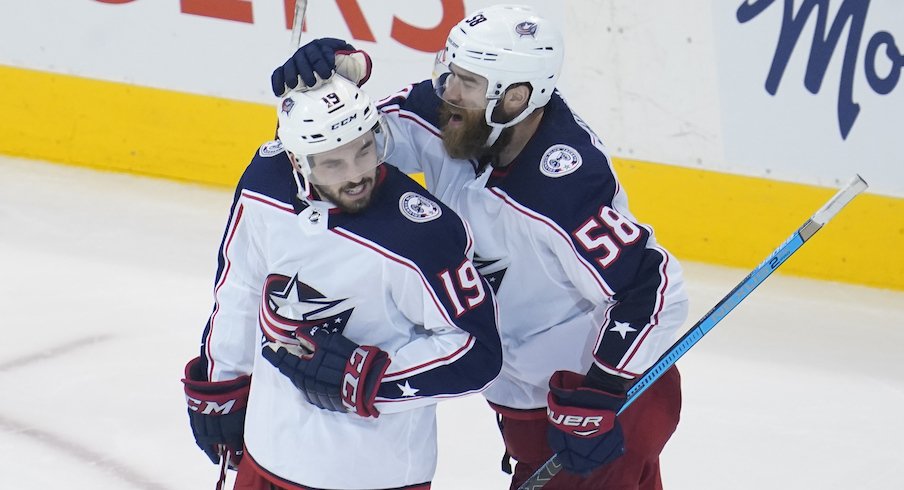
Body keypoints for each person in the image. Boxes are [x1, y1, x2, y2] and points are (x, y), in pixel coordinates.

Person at [270, 5, 689, 489]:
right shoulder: (457, 117)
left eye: (466, 82)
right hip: (534, 409)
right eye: (449, 72)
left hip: (606, 411)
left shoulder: (562, 188)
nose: (446, 90)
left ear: (514, 97)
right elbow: (359, 146)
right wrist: (336, 87)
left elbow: (653, 284)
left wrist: (603, 390)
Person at [181, 75, 503, 490]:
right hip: (267, 456)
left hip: (373, 475)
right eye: (333, 162)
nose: (356, 175)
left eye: (365, 150)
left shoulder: (422, 233)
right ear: (298, 161)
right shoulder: (265, 186)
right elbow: (241, 284)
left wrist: (370, 378)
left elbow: (477, 353)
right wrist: (223, 380)